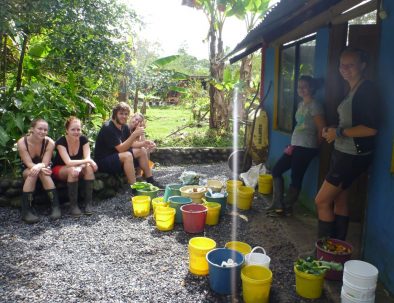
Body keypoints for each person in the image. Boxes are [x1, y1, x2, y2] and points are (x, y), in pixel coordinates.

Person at [315, 48, 379, 241]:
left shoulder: (366, 90)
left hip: (351, 156)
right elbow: (350, 123)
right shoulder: (353, 88)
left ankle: (323, 252)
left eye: (350, 65)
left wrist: (339, 132)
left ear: (363, 66)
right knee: (340, 200)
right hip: (344, 152)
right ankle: (337, 250)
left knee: (321, 201)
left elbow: (371, 128)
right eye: (342, 64)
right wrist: (334, 129)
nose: (344, 68)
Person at [267, 75, 326, 217]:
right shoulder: (301, 105)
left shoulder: (315, 105)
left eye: (305, 86)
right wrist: (293, 144)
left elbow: (322, 128)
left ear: (312, 88)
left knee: (296, 177)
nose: (301, 89)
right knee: (276, 170)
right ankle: (278, 203)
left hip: (306, 147)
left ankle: (286, 208)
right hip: (295, 145)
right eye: (299, 87)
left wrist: (315, 147)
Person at [94, 102, 162, 187]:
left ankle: (150, 179)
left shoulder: (124, 126)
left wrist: (144, 143)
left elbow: (131, 143)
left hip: (116, 156)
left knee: (142, 150)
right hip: (103, 162)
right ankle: (134, 188)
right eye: (121, 113)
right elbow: (121, 149)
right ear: (115, 114)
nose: (124, 116)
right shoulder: (108, 128)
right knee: (127, 155)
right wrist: (134, 134)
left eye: (126, 114)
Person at [17, 118, 61, 223]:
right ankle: (26, 211)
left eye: (45, 130)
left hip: (44, 168)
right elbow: (28, 163)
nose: (43, 132)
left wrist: (40, 166)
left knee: (43, 174)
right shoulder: (22, 142)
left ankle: (56, 207)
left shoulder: (49, 142)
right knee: (33, 173)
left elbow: (45, 162)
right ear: (32, 129)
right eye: (40, 128)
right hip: (28, 169)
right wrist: (37, 168)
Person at [52, 117, 98, 216]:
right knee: (72, 170)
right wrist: (88, 161)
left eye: (78, 129)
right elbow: (68, 162)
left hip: (77, 167)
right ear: (67, 130)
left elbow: (87, 158)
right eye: (73, 129)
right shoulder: (61, 141)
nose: (76, 132)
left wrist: (81, 166)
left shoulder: (83, 139)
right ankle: (73, 206)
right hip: (60, 169)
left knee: (88, 168)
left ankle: (88, 204)